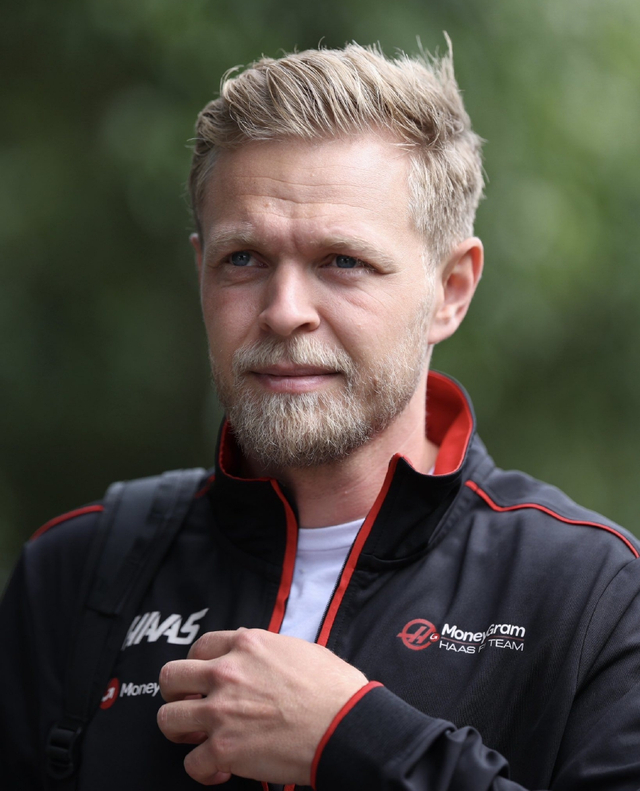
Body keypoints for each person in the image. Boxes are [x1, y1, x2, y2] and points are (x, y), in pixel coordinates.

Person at [2, 42, 640, 791]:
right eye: (244, 259)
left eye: (343, 261)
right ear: (201, 271)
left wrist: (353, 739)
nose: (284, 311)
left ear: (451, 290)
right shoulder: (76, 573)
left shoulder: (595, 596)